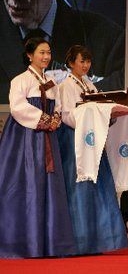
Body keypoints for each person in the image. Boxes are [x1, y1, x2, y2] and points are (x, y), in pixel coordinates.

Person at [0, 37, 76, 258]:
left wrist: (55, 118)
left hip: (47, 137)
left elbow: (59, 106)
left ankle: (50, 243)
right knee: (27, 182)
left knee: (48, 183)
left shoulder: (52, 83)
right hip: (25, 136)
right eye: (41, 52)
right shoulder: (20, 80)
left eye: (48, 52)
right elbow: (17, 107)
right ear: (29, 55)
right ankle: (23, 242)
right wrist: (44, 119)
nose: (46, 57)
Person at [57, 45, 128, 255]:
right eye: (82, 61)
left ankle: (98, 240)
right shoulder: (65, 86)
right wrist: (90, 121)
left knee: (98, 188)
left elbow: (99, 110)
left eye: (88, 61)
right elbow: (67, 116)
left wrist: (109, 116)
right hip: (75, 141)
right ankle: (79, 241)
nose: (86, 65)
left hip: (92, 141)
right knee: (78, 189)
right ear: (71, 63)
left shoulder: (90, 84)